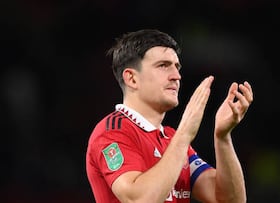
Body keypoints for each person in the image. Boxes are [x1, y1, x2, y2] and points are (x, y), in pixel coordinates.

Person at [86, 29, 253, 203]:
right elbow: (139, 200)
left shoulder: (172, 139)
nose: (177, 76)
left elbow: (229, 200)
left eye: (177, 67)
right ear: (132, 78)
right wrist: (184, 135)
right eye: (163, 66)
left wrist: (222, 137)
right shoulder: (112, 133)